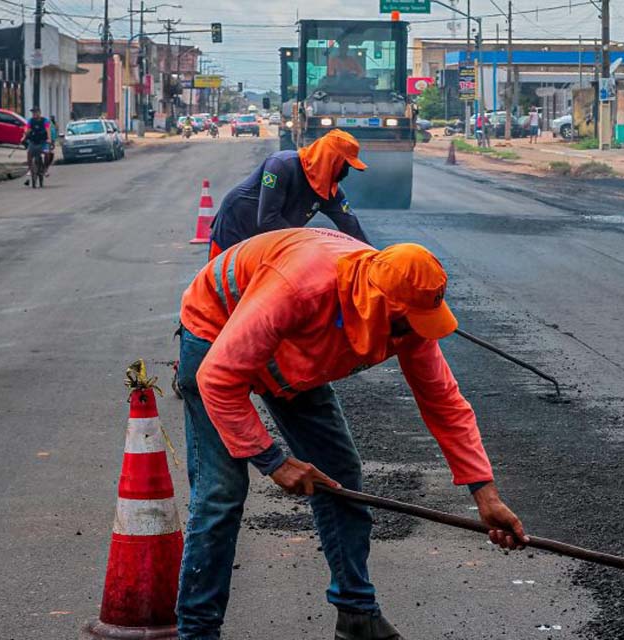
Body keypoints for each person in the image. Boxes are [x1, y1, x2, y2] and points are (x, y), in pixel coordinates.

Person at [176, 228, 528, 640]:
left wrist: (485, 495)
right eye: (408, 323)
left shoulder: (405, 316)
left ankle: (357, 613)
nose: (413, 333)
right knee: (221, 494)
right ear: (379, 303)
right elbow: (217, 379)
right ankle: (198, 632)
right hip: (216, 331)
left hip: (292, 351)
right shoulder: (300, 288)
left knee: (338, 477)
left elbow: (443, 402)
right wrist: (273, 461)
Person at [208, 128, 370, 260]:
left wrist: (375, 259)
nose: (346, 173)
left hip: (268, 242)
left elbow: (351, 227)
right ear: (331, 160)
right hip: (235, 229)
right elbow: (267, 220)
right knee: (220, 290)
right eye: (345, 166)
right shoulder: (281, 165)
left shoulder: (330, 191)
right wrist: (309, 243)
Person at [20, 106, 50, 185]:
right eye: (33, 112)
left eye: (36, 112)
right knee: (29, 153)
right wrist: (24, 136)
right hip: (33, 141)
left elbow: (48, 129)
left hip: (43, 141)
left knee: (47, 154)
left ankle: (45, 169)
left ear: (39, 113)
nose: (34, 114)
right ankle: (30, 169)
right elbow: (27, 128)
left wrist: (49, 139)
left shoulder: (45, 120)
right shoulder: (30, 121)